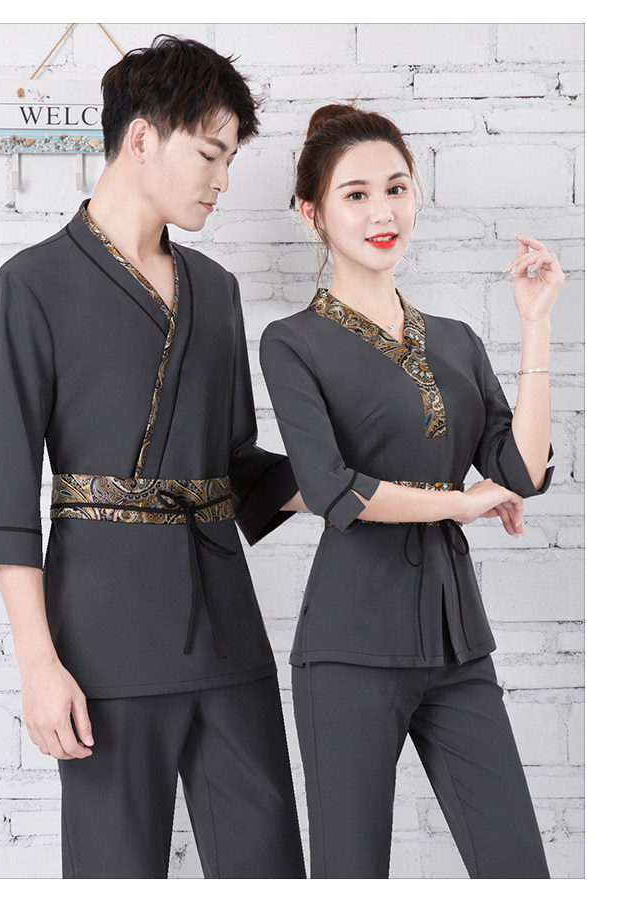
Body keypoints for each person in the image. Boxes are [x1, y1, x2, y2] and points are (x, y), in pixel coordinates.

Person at [0, 35, 306, 880]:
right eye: (211, 154)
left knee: (269, 868)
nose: (222, 180)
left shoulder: (217, 291)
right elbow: (5, 498)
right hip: (101, 644)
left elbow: (234, 465)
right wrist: (39, 666)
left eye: (230, 161)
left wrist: (358, 473)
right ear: (143, 137)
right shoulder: (30, 285)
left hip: (228, 633)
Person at [259, 103, 563, 879]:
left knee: (518, 871)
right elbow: (333, 491)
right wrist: (463, 502)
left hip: (458, 643)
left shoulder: (457, 339)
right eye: (356, 194)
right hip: (349, 649)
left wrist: (535, 325)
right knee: (351, 875)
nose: (382, 212)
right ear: (312, 214)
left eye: (396, 189)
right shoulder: (293, 342)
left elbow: (523, 472)